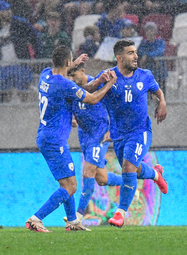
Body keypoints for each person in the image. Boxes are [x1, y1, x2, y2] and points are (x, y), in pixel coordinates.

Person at [25, 45, 117, 232]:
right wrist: (108, 84)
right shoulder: (65, 84)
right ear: (68, 62)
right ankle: (36, 219)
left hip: (45, 135)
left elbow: (68, 81)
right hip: (54, 140)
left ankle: (73, 221)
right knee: (71, 186)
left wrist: (72, 63)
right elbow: (91, 98)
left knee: (66, 183)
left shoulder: (45, 75)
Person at [94, 39, 168, 228]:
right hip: (119, 135)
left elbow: (158, 92)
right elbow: (88, 94)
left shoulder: (145, 75)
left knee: (128, 167)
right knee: (133, 169)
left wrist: (162, 102)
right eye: (130, 53)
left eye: (135, 52)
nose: (135, 56)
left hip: (141, 131)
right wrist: (100, 82)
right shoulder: (109, 76)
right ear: (119, 58)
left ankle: (120, 213)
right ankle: (155, 174)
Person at [67, 63, 123, 223]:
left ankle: (78, 215)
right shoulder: (73, 88)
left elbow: (115, 107)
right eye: (69, 76)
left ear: (83, 71)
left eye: (74, 75)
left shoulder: (96, 84)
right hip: (84, 135)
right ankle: (129, 183)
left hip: (99, 134)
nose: (71, 78)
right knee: (102, 179)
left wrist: (113, 129)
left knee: (88, 172)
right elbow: (74, 106)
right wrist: (73, 118)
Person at [138, 22, 168, 99]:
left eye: (151, 30)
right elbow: (140, 51)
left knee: (160, 96)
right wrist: (147, 56)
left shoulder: (160, 42)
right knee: (149, 97)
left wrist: (148, 56)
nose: (149, 33)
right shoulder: (144, 43)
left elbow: (160, 52)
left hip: (160, 73)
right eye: (147, 30)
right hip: (149, 74)